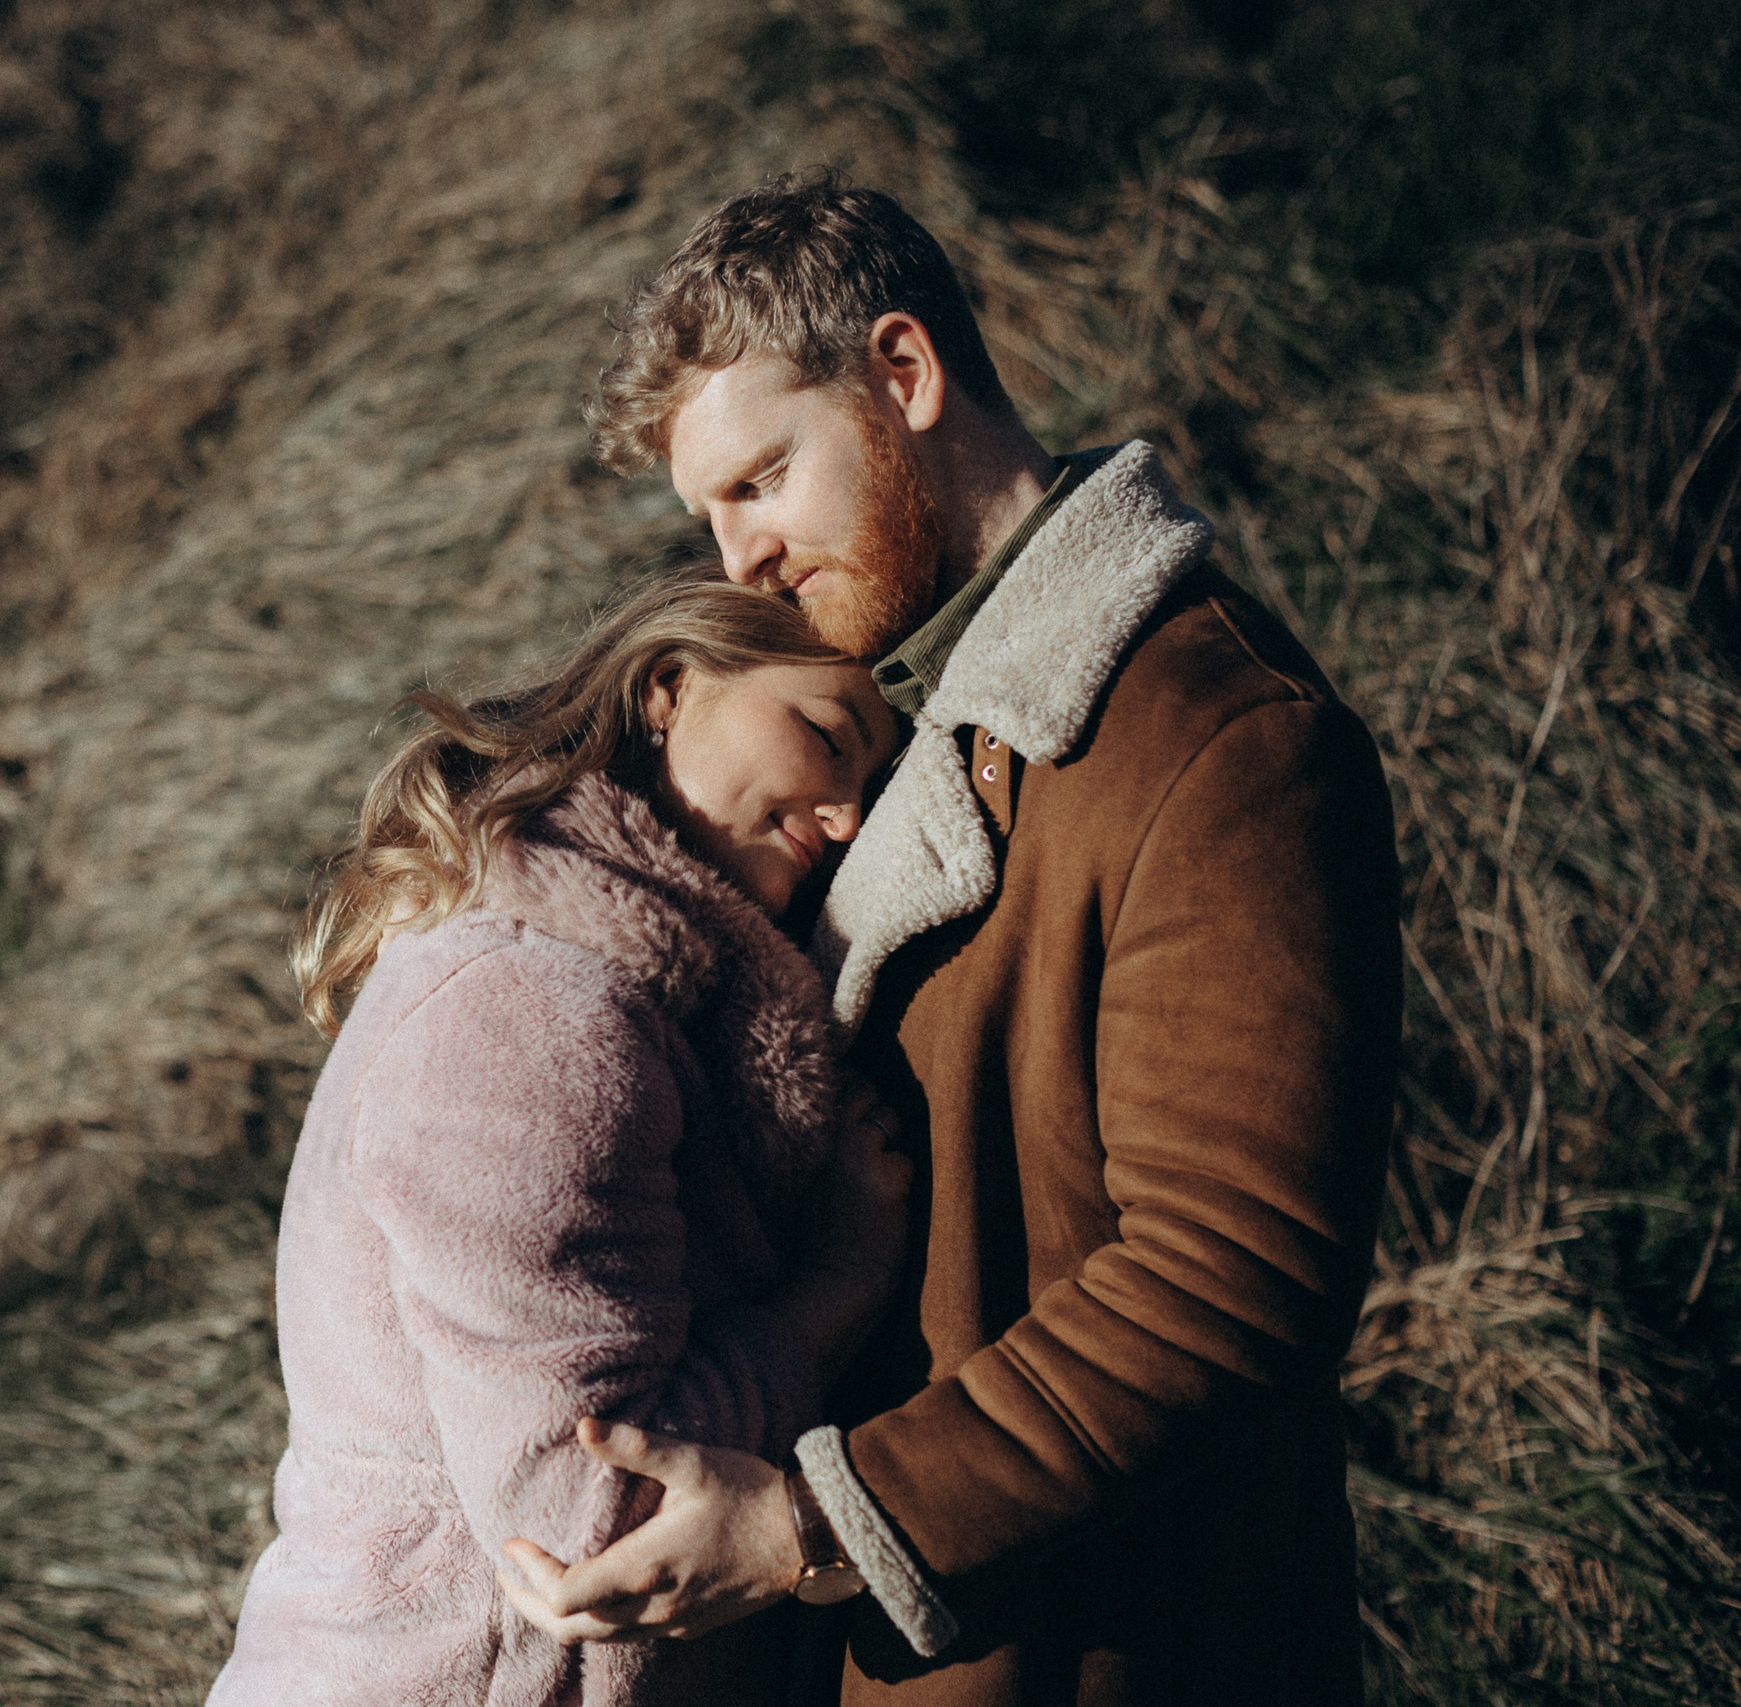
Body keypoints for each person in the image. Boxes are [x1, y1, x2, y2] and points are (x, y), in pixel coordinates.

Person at [498, 171, 1402, 1706]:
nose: (741, 562)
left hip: (1103, 1645)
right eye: (713, 514)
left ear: (903, 375)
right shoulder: (884, 725)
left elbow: (1233, 1272)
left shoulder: (1222, 737)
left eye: (761, 479)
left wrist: (816, 1518)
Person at [208, 572, 916, 1705]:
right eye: (827, 739)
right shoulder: (532, 1010)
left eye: (875, 782)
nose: (849, 818)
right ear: (669, 688)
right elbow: (594, 1513)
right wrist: (840, 1282)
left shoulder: (616, 985)